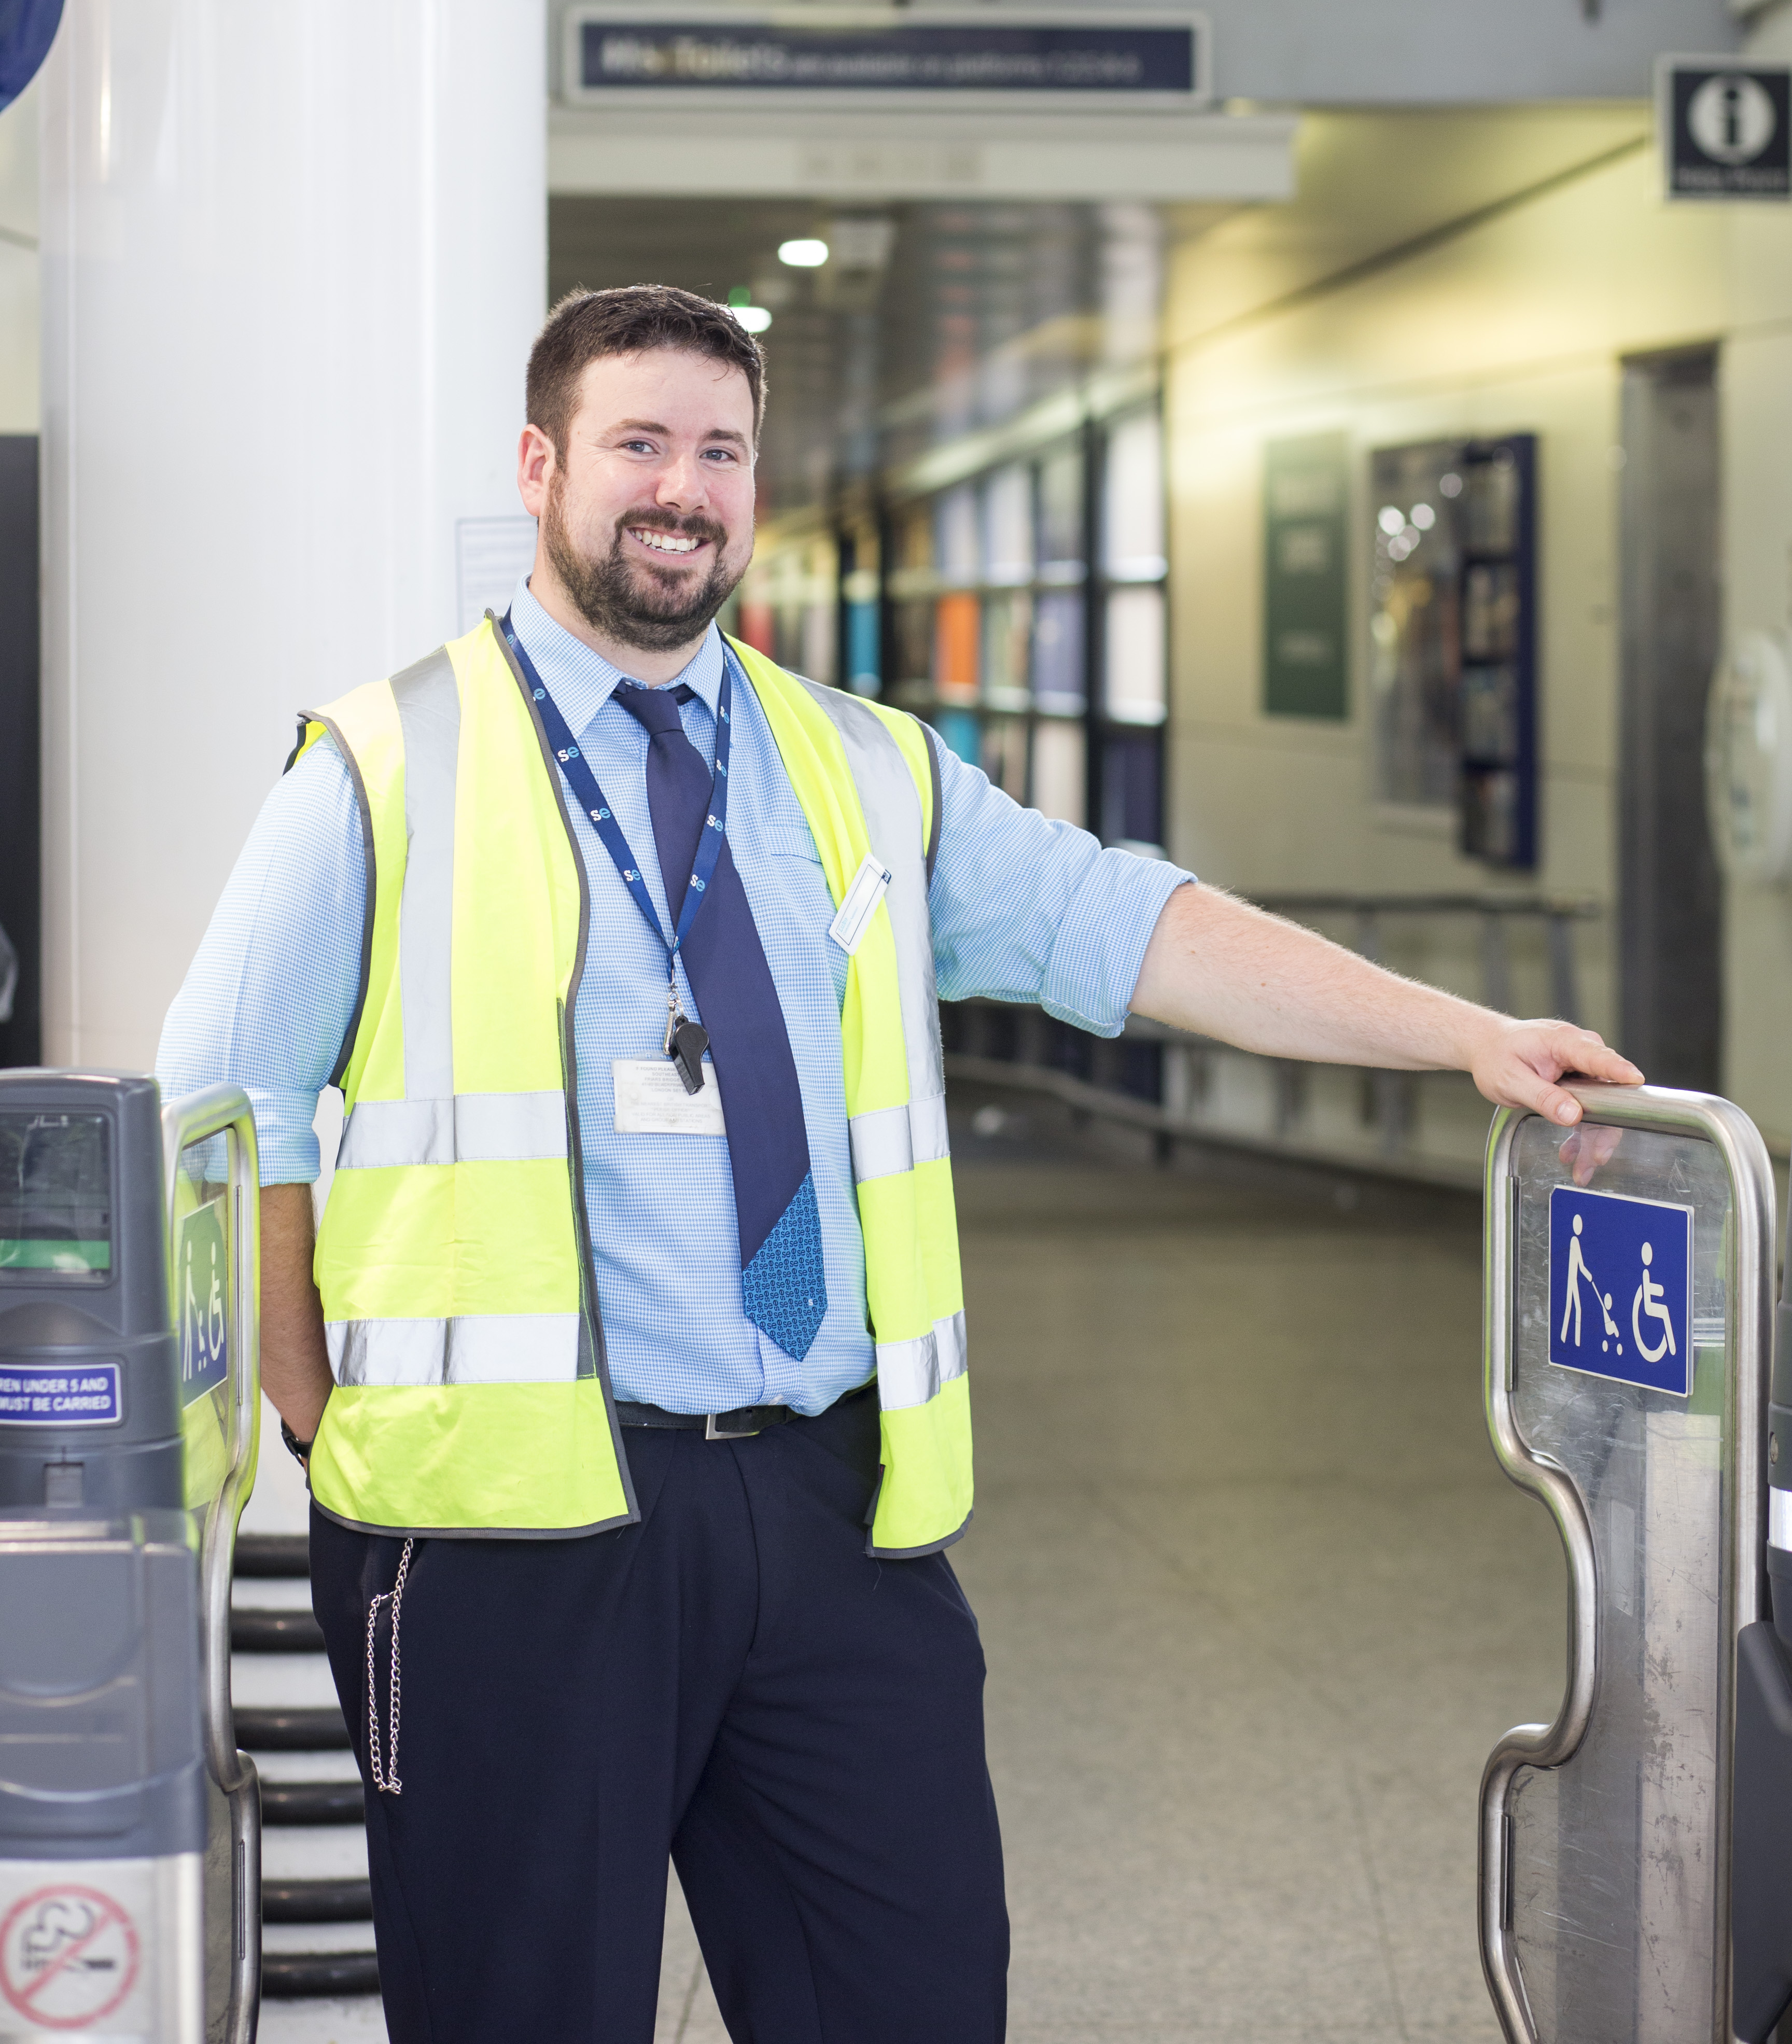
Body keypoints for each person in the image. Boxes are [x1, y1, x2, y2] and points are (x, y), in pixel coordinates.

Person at [158, 282, 1641, 2044]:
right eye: (640, 443)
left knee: (911, 1994)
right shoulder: (386, 765)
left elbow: (1124, 924)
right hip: (502, 1542)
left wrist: (1459, 1031)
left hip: (827, 1512)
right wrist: (312, 1410)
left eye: (722, 452)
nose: (683, 489)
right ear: (542, 466)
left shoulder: (860, 766)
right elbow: (223, 1102)